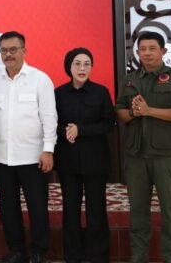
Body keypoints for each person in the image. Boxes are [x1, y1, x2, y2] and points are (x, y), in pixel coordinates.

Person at [115, 31, 171, 263]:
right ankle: (138, 256)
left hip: (166, 156)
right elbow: (120, 112)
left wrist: (149, 111)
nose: (147, 53)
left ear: (163, 51)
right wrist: (133, 113)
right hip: (136, 156)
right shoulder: (129, 80)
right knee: (138, 212)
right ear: (137, 52)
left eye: (152, 48)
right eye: (142, 49)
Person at [0, 31, 57, 263]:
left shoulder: (40, 79)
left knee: (37, 207)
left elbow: (49, 117)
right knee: (8, 208)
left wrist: (48, 149)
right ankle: (16, 250)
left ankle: (39, 250)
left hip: (33, 156)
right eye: (4, 50)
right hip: (3, 156)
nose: (8, 55)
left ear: (24, 51)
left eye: (13, 50)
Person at [54, 48, 114, 263]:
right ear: (69, 67)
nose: (82, 68)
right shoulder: (59, 93)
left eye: (87, 64)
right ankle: (73, 255)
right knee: (70, 209)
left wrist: (81, 130)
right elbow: (51, 122)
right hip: (68, 160)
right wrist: (65, 131)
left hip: (95, 160)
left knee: (96, 208)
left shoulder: (101, 92)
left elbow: (109, 123)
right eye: (77, 63)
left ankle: (98, 256)